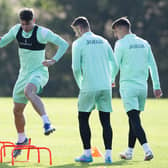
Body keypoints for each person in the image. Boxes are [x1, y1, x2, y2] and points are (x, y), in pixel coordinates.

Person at [0, 8, 69, 157]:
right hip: (23, 75)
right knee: (17, 110)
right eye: (23, 24)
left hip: (39, 72)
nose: (25, 27)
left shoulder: (42, 32)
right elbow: (2, 42)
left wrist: (54, 60)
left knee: (28, 91)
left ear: (34, 21)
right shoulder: (16, 30)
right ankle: (22, 139)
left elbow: (64, 44)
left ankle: (46, 122)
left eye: (28, 24)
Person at [111, 17, 163, 161]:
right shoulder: (144, 43)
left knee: (134, 119)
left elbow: (115, 65)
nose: (116, 35)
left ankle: (147, 150)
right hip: (142, 88)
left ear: (122, 29)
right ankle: (129, 151)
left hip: (128, 87)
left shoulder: (120, 43)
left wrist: (111, 80)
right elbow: (152, 65)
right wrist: (157, 86)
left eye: (116, 31)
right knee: (134, 119)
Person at [71, 16, 118, 164]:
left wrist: (81, 84)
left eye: (75, 31)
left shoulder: (78, 43)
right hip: (105, 86)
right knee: (106, 121)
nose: (75, 34)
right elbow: (115, 64)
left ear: (79, 28)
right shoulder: (104, 41)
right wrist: (111, 79)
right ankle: (109, 155)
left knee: (83, 118)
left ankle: (87, 154)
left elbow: (76, 68)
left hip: (89, 86)